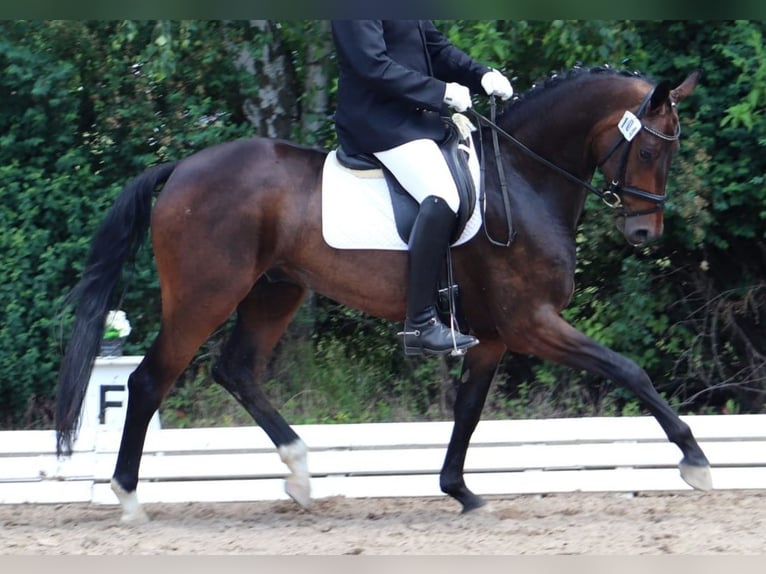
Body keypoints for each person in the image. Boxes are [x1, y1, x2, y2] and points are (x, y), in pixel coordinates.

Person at [331, 20, 513, 356]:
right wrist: (440, 92)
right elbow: (372, 65)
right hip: (378, 123)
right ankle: (421, 322)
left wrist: (481, 74)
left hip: (418, 119)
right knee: (442, 194)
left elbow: (435, 47)